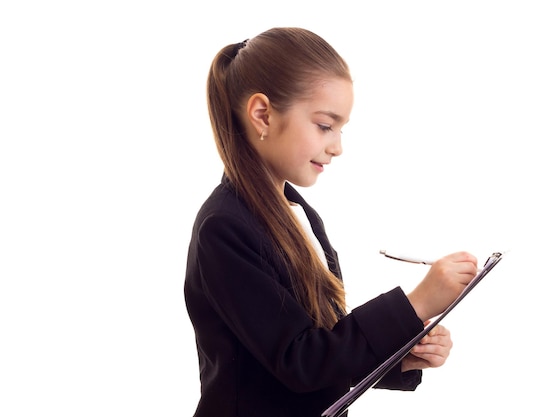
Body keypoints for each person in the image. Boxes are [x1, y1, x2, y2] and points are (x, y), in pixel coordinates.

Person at [184, 27, 479, 417]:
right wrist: (416, 302)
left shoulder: (298, 213)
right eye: (325, 125)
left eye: (341, 130)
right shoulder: (224, 228)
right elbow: (300, 362)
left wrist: (402, 355)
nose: (337, 146)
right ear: (262, 115)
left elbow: (326, 347)